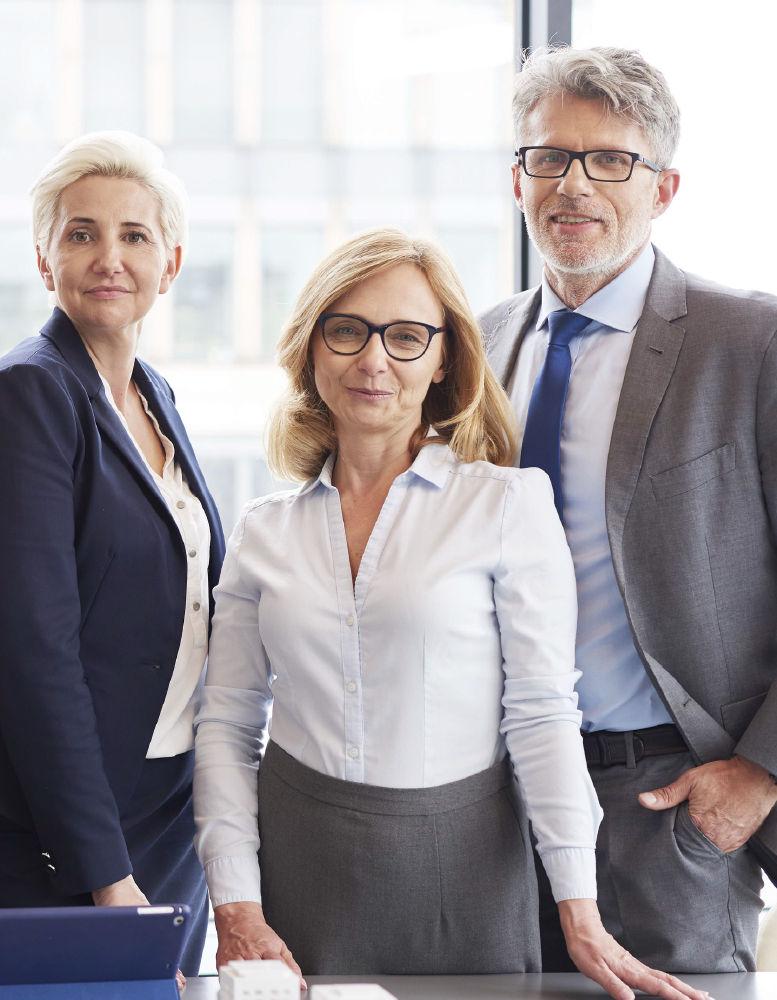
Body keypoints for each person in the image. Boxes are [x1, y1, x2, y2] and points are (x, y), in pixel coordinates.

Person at [196, 228, 699, 1000]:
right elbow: (228, 723)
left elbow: (540, 713)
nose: (373, 361)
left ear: (442, 360)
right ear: (310, 350)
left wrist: (579, 910)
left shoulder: (504, 503)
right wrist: (234, 903)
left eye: (405, 337)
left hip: (463, 878)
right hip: (298, 877)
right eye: (347, 331)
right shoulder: (264, 528)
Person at [480, 46, 777, 973]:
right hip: (491, 807)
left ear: (663, 188)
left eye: (609, 160)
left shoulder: (757, 342)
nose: (573, 185)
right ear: (519, 177)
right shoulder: (477, 345)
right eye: (548, 157)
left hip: (667, 806)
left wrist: (761, 774)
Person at [0, 131, 218, 975]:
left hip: (163, 795)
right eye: (80, 233)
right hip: (55, 815)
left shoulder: (152, 395)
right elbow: (34, 654)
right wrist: (103, 872)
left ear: (168, 263)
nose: (108, 257)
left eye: (134, 236)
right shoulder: (29, 392)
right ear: (43, 257)